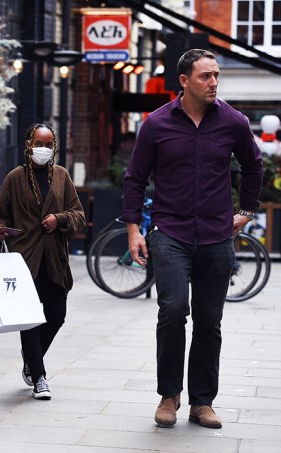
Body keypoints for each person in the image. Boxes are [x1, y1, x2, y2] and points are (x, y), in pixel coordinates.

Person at [122, 49, 263, 429]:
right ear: (184, 81)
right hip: (170, 232)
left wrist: (247, 212)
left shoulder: (233, 122)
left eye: (216, 75)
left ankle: (202, 402)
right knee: (171, 310)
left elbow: (253, 166)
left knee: (209, 320)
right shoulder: (156, 124)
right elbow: (135, 178)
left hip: (217, 235)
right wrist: (134, 229)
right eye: (205, 76)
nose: (214, 82)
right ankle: (169, 395)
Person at [0, 123, 86, 400]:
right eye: (38, 143)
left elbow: (78, 214)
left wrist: (60, 219)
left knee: (56, 315)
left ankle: (31, 358)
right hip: (24, 260)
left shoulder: (61, 177)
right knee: (29, 320)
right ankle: (39, 377)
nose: (42, 149)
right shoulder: (15, 178)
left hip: (54, 259)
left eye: (48, 144)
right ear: (28, 144)